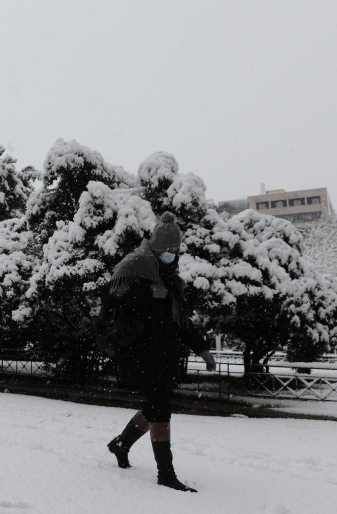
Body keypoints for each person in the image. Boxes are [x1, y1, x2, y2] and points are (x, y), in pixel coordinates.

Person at [95, 211, 216, 492]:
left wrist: (201, 349)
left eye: (176, 249)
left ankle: (121, 444)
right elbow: (113, 304)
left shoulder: (169, 276)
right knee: (161, 407)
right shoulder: (134, 266)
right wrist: (148, 295)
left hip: (163, 354)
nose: (173, 254)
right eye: (168, 249)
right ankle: (166, 474)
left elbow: (180, 320)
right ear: (156, 246)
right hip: (137, 352)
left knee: (154, 407)